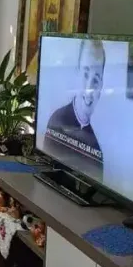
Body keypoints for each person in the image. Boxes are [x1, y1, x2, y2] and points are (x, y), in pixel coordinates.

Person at [43, 39, 105, 179]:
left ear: (101, 88)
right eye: (86, 74)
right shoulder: (57, 122)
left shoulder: (97, 150)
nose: (89, 89)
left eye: (95, 80)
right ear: (77, 74)